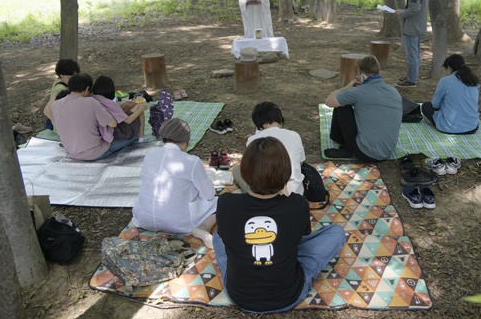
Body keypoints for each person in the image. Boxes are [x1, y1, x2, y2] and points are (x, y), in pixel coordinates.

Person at [213, 137, 345, 314]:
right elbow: (301, 237)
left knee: (218, 236)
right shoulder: (297, 205)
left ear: (245, 172)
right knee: (336, 232)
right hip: (289, 295)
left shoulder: (226, 203)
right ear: (286, 173)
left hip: (239, 295)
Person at [132, 119, 217, 248]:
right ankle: (204, 227)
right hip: (179, 224)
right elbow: (209, 194)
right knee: (221, 202)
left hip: (143, 219)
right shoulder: (191, 161)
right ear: (186, 141)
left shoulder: (149, 156)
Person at [324, 55, 402, 161]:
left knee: (342, 107)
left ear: (363, 76)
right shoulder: (394, 91)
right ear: (379, 73)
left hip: (365, 152)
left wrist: (347, 87)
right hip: (387, 150)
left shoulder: (358, 92)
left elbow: (329, 101)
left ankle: (344, 145)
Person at [49, 73, 134, 161]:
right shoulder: (91, 102)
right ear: (87, 89)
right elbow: (113, 124)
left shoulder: (55, 105)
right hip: (95, 153)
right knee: (133, 134)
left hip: (71, 153)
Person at [232, 102, 306, 195]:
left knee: (237, 170)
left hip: (265, 193)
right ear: (280, 119)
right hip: (295, 191)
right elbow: (301, 161)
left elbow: (251, 169)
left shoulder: (253, 140)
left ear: (258, 124)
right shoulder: (294, 135)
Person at [422, 54, 480, 134]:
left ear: (449, 68)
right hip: (472, 127)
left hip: (449, 127)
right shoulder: (474, 82)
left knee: (426, 106)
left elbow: (435, 105)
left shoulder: (445, 81)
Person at [395, 0, 429, 88]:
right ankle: (412, 76)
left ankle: (411, 80)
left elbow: (414, 8)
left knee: (412, 55)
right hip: (419, 25)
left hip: (413, 26)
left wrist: (401, 12)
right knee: (416, 54)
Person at [92, 75, 147, 143]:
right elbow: (128, 120)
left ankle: (141, 136)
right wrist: (140, 109)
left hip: (106, 130)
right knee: (140, 109)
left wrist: (126, 105)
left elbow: (116, 114)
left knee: (137, 107)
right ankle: (141, 137)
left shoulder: (95, 99)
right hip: (117, 133)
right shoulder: (110, 104)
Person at [43, 59, 80, 132]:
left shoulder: (60, 80)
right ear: (61, 75)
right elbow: (47, 110)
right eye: (69, 78)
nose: (73, 80)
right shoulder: (60, 89)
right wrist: (60, 124)